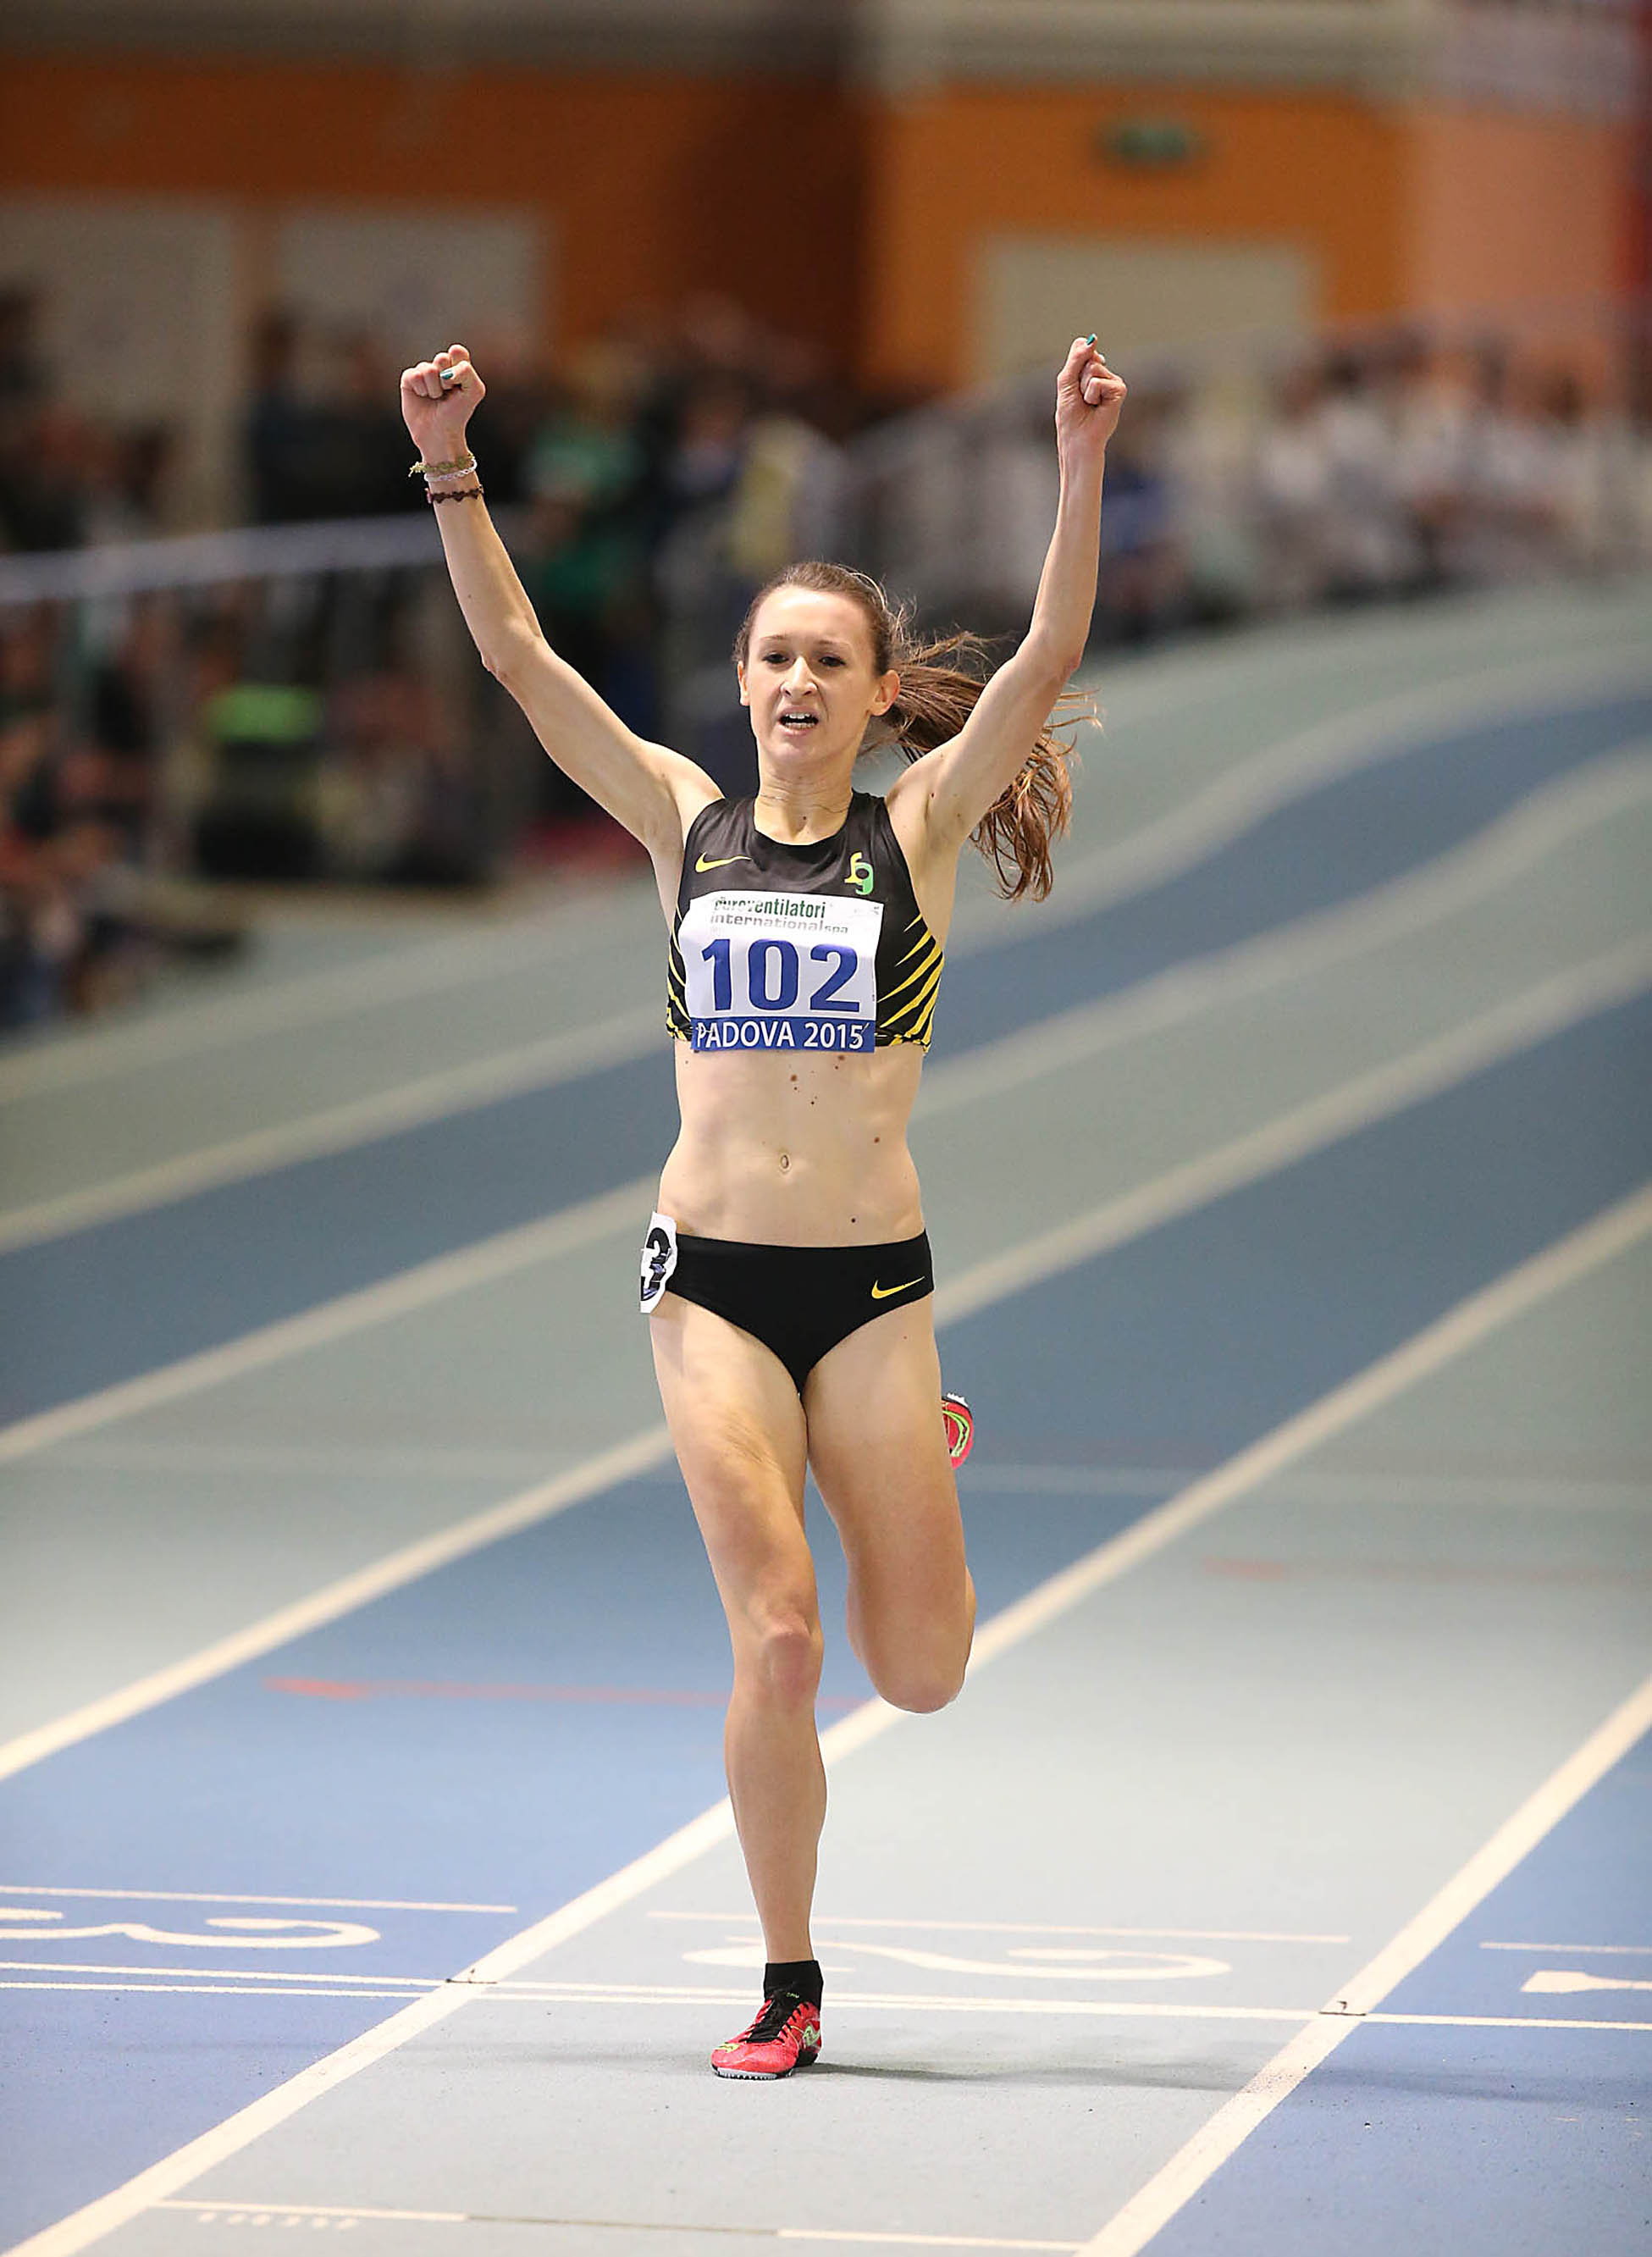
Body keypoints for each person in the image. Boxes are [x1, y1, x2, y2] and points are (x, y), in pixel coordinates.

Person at [400, 332, 1126, 2078]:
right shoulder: (682, 821)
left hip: (873, 1294)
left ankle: (915, 1444)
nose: (799, 679)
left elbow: (1046, 654)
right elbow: (516, 656)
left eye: (829, 660)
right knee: (780, 1635)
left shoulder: (917, 830)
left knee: (923, 1670)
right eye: (775, 654)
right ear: (740, 681)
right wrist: (448, 459)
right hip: (710, 1287)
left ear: (876, 698)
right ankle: (789, 1976)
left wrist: (1079, 458)